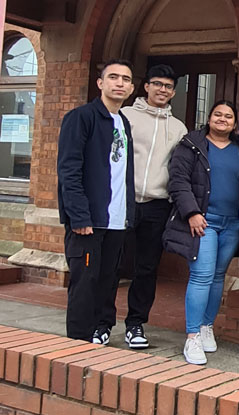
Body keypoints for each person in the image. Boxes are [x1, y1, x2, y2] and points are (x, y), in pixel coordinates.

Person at [163, 100, 239, 365]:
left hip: (232, 223)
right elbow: (178, 181)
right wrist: (192, 212)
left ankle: (206, 327)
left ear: (235, 123)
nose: (222, 119)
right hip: (204, 221)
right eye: (218, 114)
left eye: (228, 116)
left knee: (218, 276)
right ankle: (192, 337)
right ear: (209, 118)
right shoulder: (192, 145)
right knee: (202, 275)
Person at [57, 59, 135, 343]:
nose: (119, 83)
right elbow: (69, 170)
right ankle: (78, 342)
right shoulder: (81, 117)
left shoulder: (123, 122)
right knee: (85, 283)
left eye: (126, 79)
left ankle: (101, 331)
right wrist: (79, 216)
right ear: (100, 83)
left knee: (108, 281)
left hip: (116, 221)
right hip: (89, 221)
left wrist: (129, 216)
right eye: (113, 77)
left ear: (132, 88)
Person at [120, 64, 188, 349]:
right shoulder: (125, 116)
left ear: (173, 92)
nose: (163, 90)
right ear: (146, 86)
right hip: (122, 202)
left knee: (146, 268)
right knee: (111, 264)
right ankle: (101, 322)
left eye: (168, 86)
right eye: (157, 84)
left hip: (157, 206)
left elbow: (179, 168)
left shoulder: (178, 127)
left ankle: (136, 324)